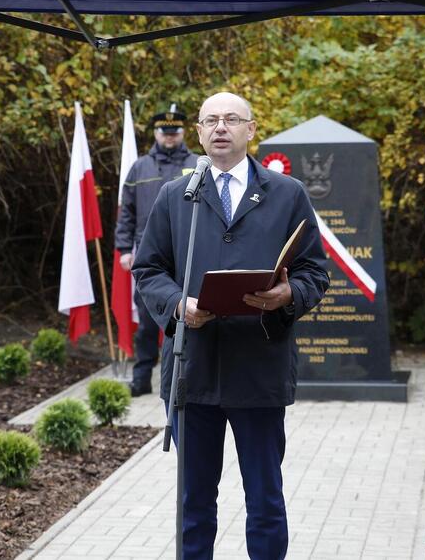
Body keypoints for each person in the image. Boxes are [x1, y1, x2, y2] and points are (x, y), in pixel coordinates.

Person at [133, 91, 329, 559]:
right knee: (194, 503)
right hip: (192, 370)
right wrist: (179, 305)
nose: (220, 127)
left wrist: (287, 295)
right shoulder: (176, 195)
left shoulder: (287, 193)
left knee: (265, 500)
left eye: (231, 119)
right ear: (199, 132)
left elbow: (314, 272)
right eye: (211, 120)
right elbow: (149, 269)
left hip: (258, 368)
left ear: (251, 129)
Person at [115, 109, 199, 397]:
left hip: (189, 251)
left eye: (175, 132)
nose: (170, 137)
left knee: (189, 315)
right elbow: (126, 213)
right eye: (165, 132)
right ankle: (141, 378)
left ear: (183, 133)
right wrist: (124, 249)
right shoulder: (140, 168)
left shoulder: (198, 164)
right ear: (155, 133)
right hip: (149, 255)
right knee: (148, 321)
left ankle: (186, 378)